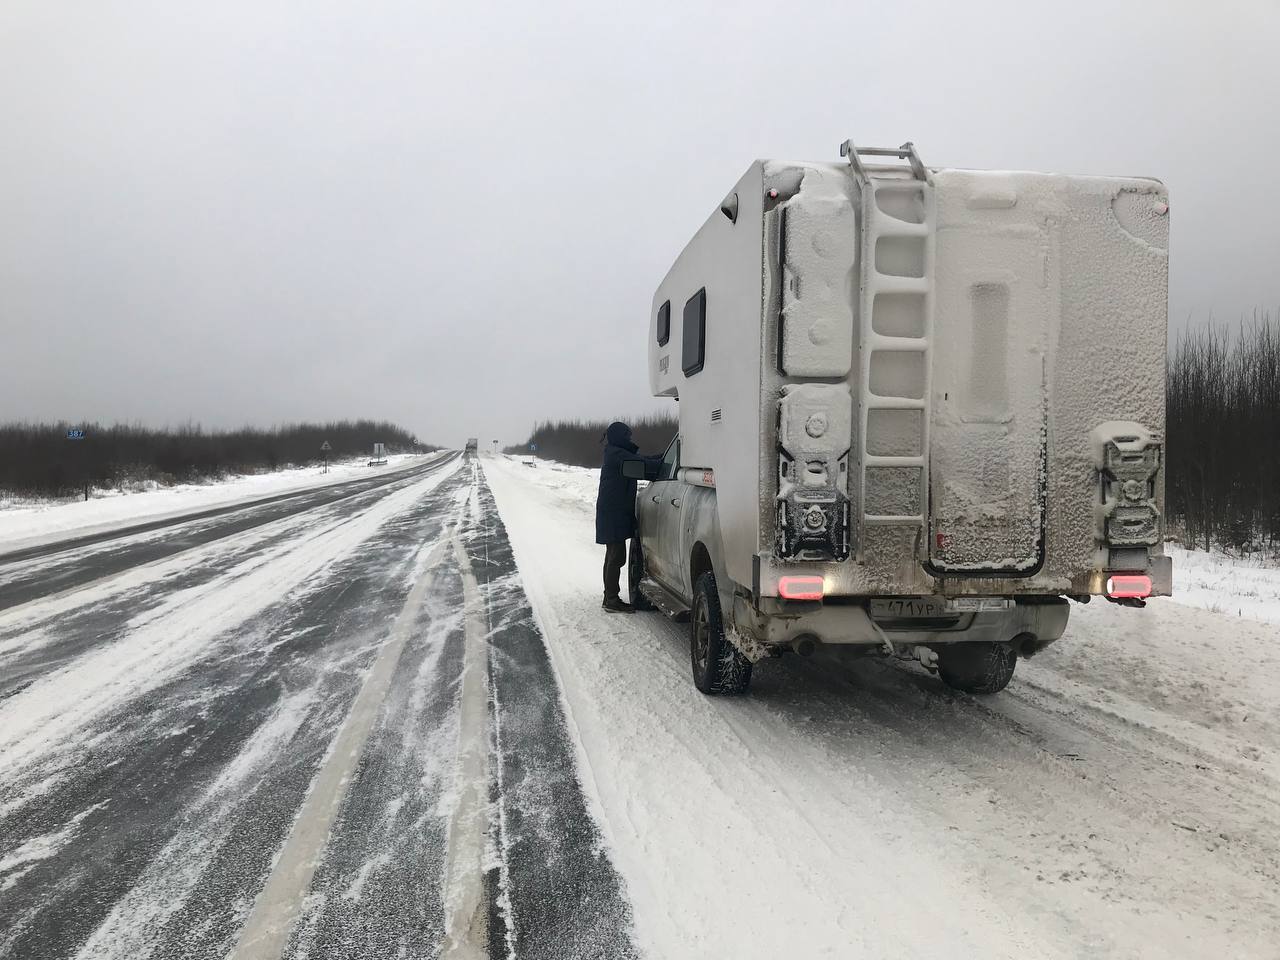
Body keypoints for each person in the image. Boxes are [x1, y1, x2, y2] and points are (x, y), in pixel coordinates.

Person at [595, 421, 658, 613]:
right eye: (627, 436)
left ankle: (610, 596)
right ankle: (611, 600)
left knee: (612, 556)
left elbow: (639, 459)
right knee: (616, 557)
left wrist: (660, 457)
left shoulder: (615, 452)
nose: (630, 439)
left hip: (612, 512)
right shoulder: (616, 454)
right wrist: (664, 463)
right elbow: (641, 464)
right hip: (613, 513)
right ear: (620, 437)